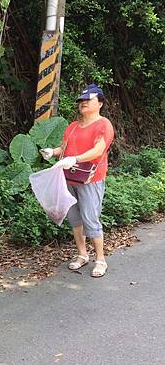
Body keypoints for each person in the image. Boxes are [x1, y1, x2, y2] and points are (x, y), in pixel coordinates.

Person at [41, 84, 115, 278]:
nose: (83, 104)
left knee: (91, 218)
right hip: (69, 178)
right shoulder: (73, 126)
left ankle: (100, 259)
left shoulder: (103, 125)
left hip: (90, 179)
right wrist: (53, 152)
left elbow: (99, 150)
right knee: (75, 219)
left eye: (87, 100)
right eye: (81, 101)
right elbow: (64, 149)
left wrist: (76, 158)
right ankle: (82, 254)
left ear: (100, 103)